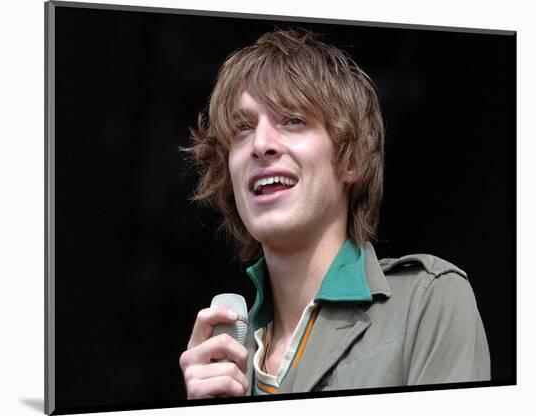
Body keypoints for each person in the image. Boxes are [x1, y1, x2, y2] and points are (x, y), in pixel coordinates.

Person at [178, 29, 490, 399]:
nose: (260, 145)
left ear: (351, 159)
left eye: (293, 119)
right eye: (243, 127)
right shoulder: (226, 362)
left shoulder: (427, 302)